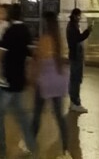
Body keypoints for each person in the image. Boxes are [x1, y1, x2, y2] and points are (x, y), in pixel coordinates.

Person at [0, 3, 36, 159]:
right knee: (21, 115)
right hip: (19, 80)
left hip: (6, 81)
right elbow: (30, 55)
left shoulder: (10, 31)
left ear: (10, 15)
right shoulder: (25, 30)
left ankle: (0, 150)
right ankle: (31, 146)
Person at [31, 11, 71, 159]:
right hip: (58, 80)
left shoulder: (44, 39)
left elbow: (38, 59)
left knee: (36, 115)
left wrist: (33, 78)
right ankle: (65, 149)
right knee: (59, 116)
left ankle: (30, 144)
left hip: (45, 81)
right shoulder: (60, 39)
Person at [66, 8, 92, 113]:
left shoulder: (73, 25)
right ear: (75, 16)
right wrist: (88, 31)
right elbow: (78, 38)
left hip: (76, 55)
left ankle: (73, 102)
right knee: (76, 79)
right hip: (75, 56)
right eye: (79, 16)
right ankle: (75, 102)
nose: (79, 18)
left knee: (74, 79)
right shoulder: (72, 26)